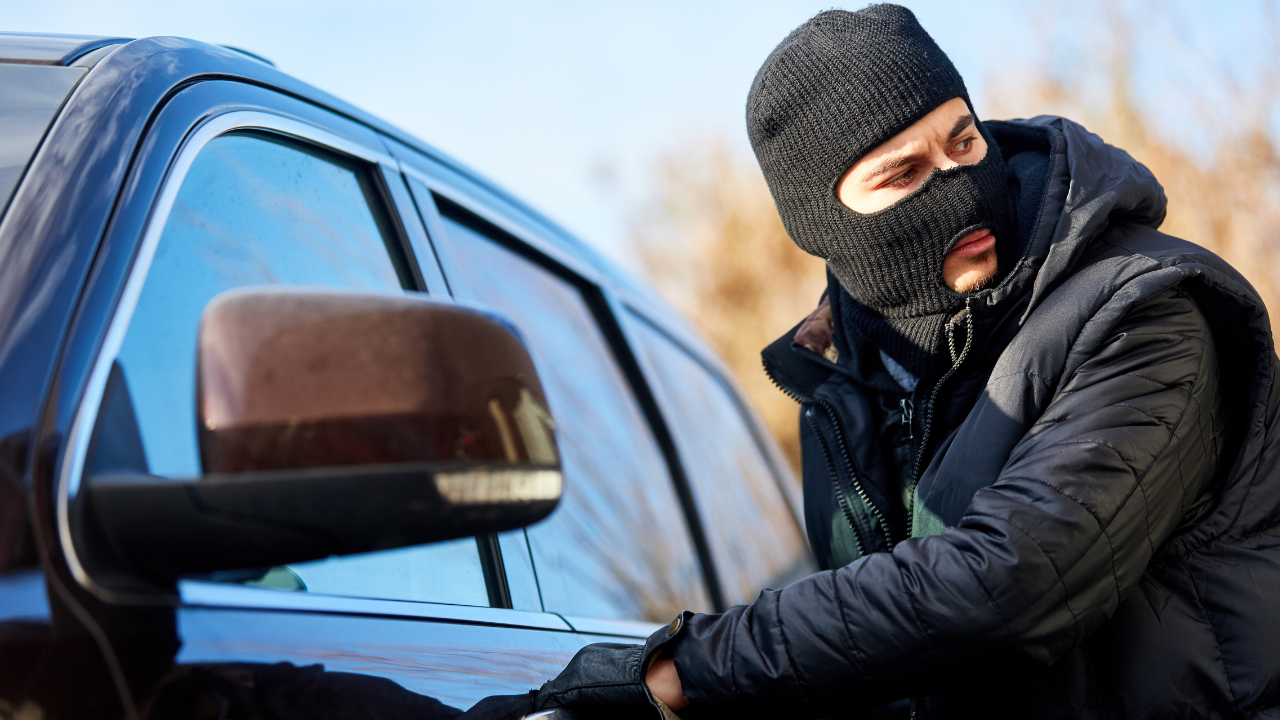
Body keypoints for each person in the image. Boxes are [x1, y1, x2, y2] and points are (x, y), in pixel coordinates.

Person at [482, 5, 1280, 718]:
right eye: (903, 172)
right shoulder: (846, 390)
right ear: (822, 222)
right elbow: (873, 660)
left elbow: (1013, 581)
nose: (962, 187)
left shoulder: (1146, 312)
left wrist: (676, 673)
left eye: (964, 140)